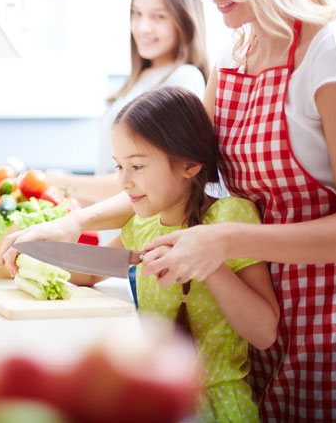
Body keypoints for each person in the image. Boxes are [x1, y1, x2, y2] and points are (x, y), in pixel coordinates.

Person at [0, 0, 336, 421]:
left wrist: (222, 240)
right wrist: (72, 224)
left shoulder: (335, 53)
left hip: (332, 331)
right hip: (250, 326)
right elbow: (174, 174)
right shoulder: (238, 56)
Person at [68, 87, 282, 421]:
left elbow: (264, 333)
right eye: (118, 166)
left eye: (136, 166)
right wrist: (26, 261)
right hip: (156, 402)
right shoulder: (143, 226)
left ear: (190, 165)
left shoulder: (229, 217)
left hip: (219, 407)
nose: (123, 181)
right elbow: (90, 271)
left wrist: (207, 262)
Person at [45, 0, 209, 205]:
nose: (143, 27)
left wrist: (63, 182)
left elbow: (148, 179)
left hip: (145, 237)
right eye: (137, 13)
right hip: (116, 233)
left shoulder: (184, 79)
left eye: (158, 16)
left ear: (185, 20)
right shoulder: (137, 81)